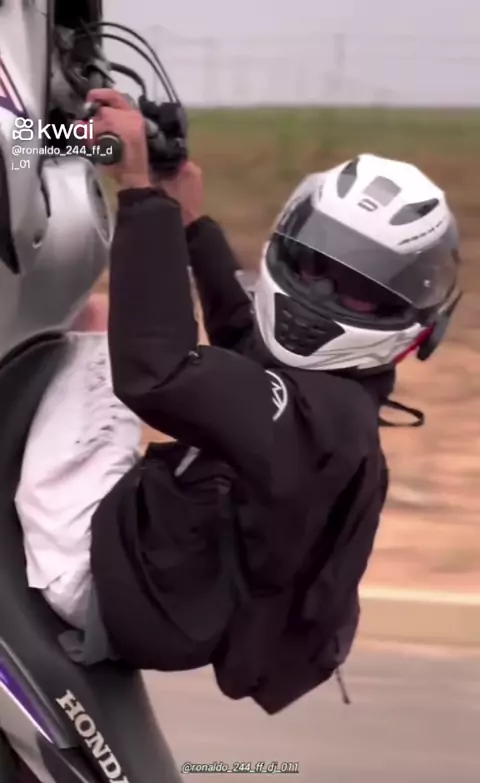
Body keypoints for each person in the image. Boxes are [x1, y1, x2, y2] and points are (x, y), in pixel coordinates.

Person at [15, 90, 462, 714]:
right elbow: (245, 342)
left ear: (411, 321)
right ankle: (26, 139)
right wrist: (191, 224)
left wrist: (140, 192)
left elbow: (157, 372)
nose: (321, 294)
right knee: (94, 320)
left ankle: (18, 138)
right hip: (154, 576)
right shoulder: (336, 397)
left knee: (90, 317)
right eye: (312, 266)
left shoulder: (324, 425)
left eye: (358, 292)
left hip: (102, 572)